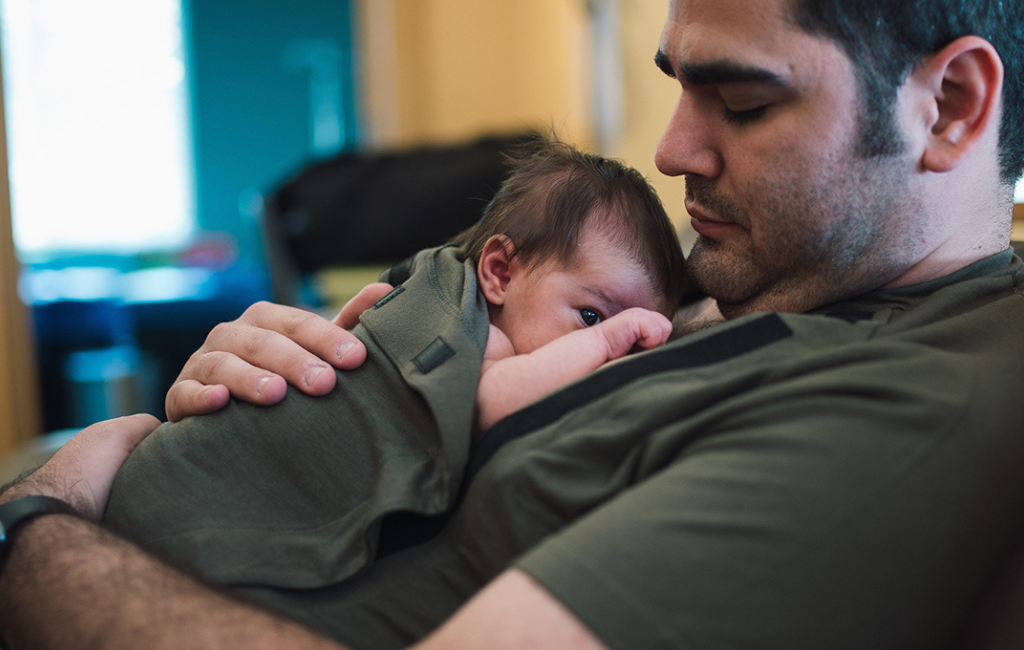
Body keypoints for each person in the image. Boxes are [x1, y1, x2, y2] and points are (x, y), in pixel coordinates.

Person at [2, 0, 1024, 648]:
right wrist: (258, 381)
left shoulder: (918, 394)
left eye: (743, 102)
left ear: (950, 105)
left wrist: (38, 525)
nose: (670, 151)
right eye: (676, 86)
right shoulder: (763, 270)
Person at [100, 139, 687, 592]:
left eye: (629, 342)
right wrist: (615, 339)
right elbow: (496, 402)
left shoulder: (462, 307)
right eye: (590, 317)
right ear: (500, 273)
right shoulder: (480, 337)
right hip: (199, 494)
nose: (614, 350)